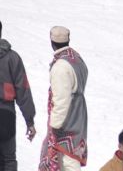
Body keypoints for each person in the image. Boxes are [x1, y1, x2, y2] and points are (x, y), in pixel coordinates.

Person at [39, 27, 89, 171]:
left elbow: (61, 99)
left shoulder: (61, 66)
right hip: (79, 114)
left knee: (67, 160)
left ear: (51, 42)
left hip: (67, 120)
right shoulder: (77, 58)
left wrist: (54, 126)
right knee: (72, 155)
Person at [0, 21, 37, 171]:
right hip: (6, 114)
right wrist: (30, 121)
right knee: (8, 159)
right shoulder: (12, 58)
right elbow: (23, 90)